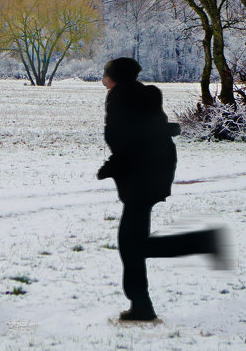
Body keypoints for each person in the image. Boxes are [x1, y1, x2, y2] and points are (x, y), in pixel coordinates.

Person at [97, 57, 229, 321]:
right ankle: (142, 305)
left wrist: (112, 165)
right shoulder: (140, 95)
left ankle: (200, 243)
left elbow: (131, 139)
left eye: (105, 72)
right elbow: (150, 130)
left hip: (141, 175)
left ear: (114, 78)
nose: (103, 77)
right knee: (133, 243)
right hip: (152, 172)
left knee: (131, 245)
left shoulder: (122, 98)